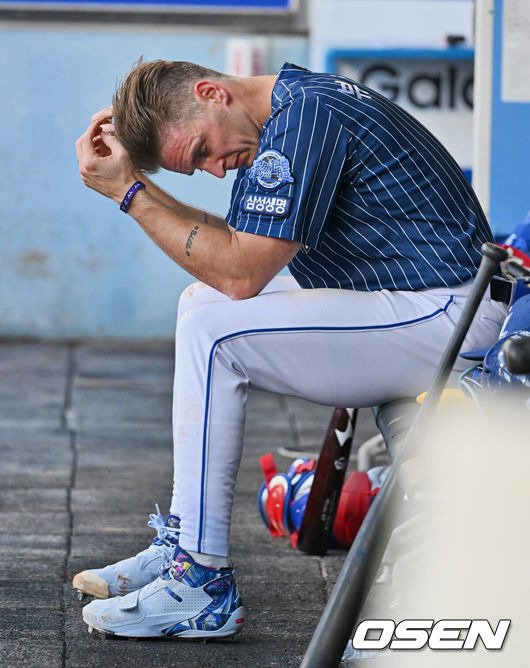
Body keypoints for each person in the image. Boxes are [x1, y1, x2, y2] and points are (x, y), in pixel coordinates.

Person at [74, 60, 506, 639]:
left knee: (214, 329)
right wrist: (136, 183)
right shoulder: (283, 113)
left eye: (203, 150)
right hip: (415, 298)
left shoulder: (305, 119)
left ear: (211, 93)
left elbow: (241, 273)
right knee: (198, 307)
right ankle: (183, 545)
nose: (214, 169)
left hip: (451, 315)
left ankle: (201, 584)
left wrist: (129, 194)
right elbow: (231, 248)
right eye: (197, 166)